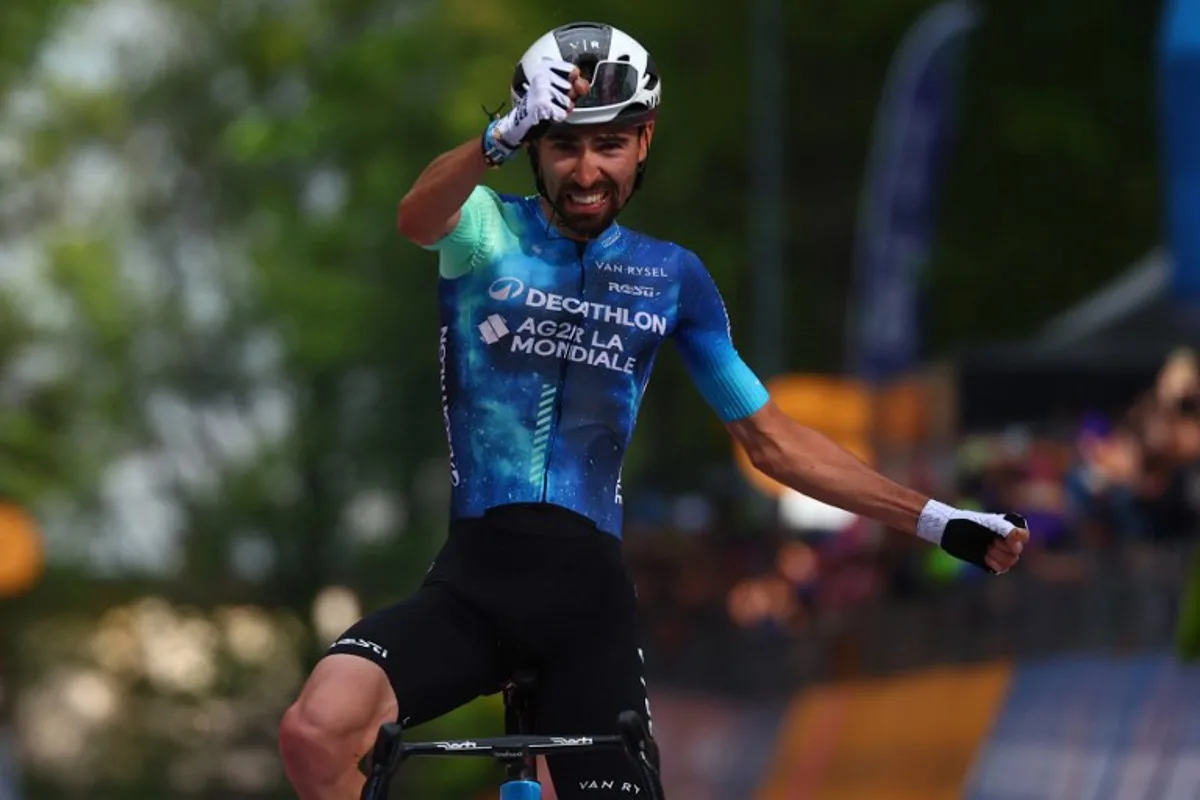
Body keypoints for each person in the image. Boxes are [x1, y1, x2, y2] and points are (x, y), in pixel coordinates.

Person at [278, 21, 1030, 799]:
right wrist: (495, 137)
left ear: (644, 142)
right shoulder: (484, 230)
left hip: (588, 609)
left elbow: (772, 442)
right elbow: (416, 217)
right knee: (314, 732)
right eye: (563, 145)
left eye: (609, 145)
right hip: (473, 586)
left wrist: (938, 520)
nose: (586, 170)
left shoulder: (672, 278)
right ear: (535, 146)